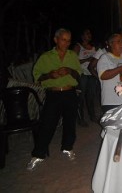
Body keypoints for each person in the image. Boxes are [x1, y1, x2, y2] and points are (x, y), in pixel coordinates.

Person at [27, 28, 81, 171]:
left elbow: (78, 75)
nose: (67, 43)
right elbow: (37, 77)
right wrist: (49, 75)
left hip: (70, 93)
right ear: (56, 40)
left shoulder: (72, 56)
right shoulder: (46, 57)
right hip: (53, 94)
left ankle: (67, 148)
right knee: (47, 124)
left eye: (69, 40)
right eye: (64, 40)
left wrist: (70, 71)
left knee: (70, 123)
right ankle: (38, 154)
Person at [96, 33, 122, 114]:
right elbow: (103, 76)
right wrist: (120, 68)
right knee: (111, 126)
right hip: (110, 101)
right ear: (111, 44)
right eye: (118, 41)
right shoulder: (105, 57)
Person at [73, 29, 97, 126]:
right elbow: (73, 61)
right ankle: (81, 118)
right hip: (82, 74)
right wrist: (87, 59)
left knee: (91, 96)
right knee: (81, 97)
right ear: (82, 36)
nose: (89, 35)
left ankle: (92, 116)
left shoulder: (93, 48)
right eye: (87, 33)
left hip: (91, 74)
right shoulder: (78, 47)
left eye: (90, 33)